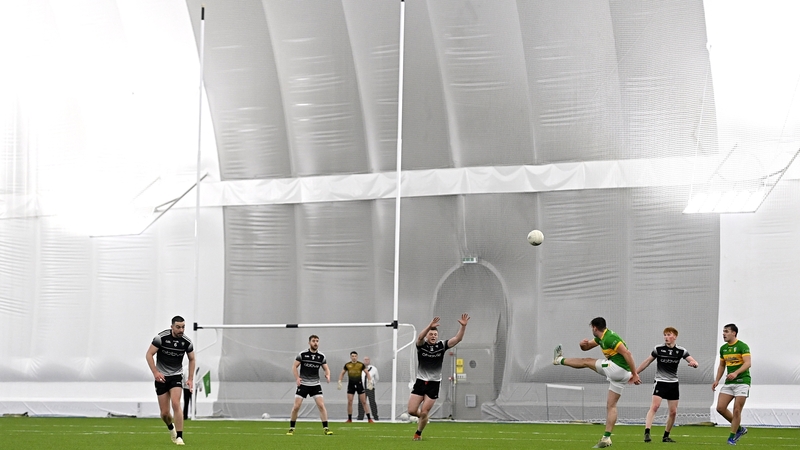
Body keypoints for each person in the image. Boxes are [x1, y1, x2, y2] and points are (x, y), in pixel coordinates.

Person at [553, 317, 641, 449]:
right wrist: (582, 345)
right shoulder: (601, 337)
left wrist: (635, 374)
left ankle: (559, 360)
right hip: (622, 374)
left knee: (586, 361)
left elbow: (627, 353)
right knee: (611, 405)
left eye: (591, 328)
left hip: (617, 369)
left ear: (594, 327)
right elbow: (587, 347)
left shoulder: (609, 338)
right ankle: (606, 438)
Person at [407, 314, 470, 441]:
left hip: (434, 384)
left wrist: (463, 326)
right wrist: (429, 326)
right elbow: (419, 337)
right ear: (427, 336)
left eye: (435, 334)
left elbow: (457, 339)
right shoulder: (421, 345)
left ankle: (418, 433)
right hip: (420, 382)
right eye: (431, 334)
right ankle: (423, 418)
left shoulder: (441, 345)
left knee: (424, 411)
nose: (433, 336)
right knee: (412, 411)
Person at [636, 327, 699, 443]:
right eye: (665, 335)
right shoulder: (658, 349)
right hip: (660, 382)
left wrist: (694, 364)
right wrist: (635, 373)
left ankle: (666, 436)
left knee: (673, 412)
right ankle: (647, 432)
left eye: (669, 335)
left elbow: (693, 361)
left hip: (673, 384)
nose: (666, 337)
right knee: (655, 406)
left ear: (675, 336)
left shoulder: (681, 350)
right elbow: (647, 361)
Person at [146, 315, 196, 446]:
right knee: (165, 413)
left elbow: (192, 359)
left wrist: (190, 379)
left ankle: (179, 436)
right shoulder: (161, 338)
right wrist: (155, 372)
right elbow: (149, 354)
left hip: (176, 376)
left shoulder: (186, 342)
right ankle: (170, 427)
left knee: (176, 403)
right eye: (178, 327)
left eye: (183, 327)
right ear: (172, 327)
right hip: (161, 377)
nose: (181, 330)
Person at [712, 323, 751, 446]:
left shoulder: (742, 346)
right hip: (729, 382)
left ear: (734, 333)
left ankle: (731, 438)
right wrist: (717, 380)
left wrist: (735, 373)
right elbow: (722, 365)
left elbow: (748, 363)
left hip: (742, 381)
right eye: (723, 331)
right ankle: (740, 429)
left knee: (737, 410)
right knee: (720, 408)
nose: (724, 334)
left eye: (726, 331)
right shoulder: (723, 348)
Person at [287, 335, 333, 436]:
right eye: (313, 341)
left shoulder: (321, 356)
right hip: (303, 384)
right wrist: (297, 378)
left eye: (317, 341)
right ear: (309, 343)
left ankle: (326, 428)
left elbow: (326, 368)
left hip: (315, 385)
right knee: (296, 407)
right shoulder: (302, 354)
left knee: (321, 405)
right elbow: (294, 366)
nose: (315, 343)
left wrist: (328, 374)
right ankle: (291, 428)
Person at [337, 351, 374, 423]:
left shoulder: (360, 365)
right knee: (350, 402)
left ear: (357, 357)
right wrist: (339, 381)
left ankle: (369, 418)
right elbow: (342, 373)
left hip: (359, 385)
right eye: (352, 356)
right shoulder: (347, 365)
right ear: (350, 357)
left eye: (355, 356)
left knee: (364, 402)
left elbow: (367, 373)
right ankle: (349, 419)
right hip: (351, 385)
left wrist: (370, 381)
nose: (354, 357)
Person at [357, 356, 379, 421]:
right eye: (365, 359)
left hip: (370, 388)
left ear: (369, 360)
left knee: (372, 402)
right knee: (361, 402)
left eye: (367, 359)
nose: (366, 361)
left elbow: (377, 378)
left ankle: (375, 416)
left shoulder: (373, 369)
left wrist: (372, 384)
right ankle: (360, 416)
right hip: (362, 388)